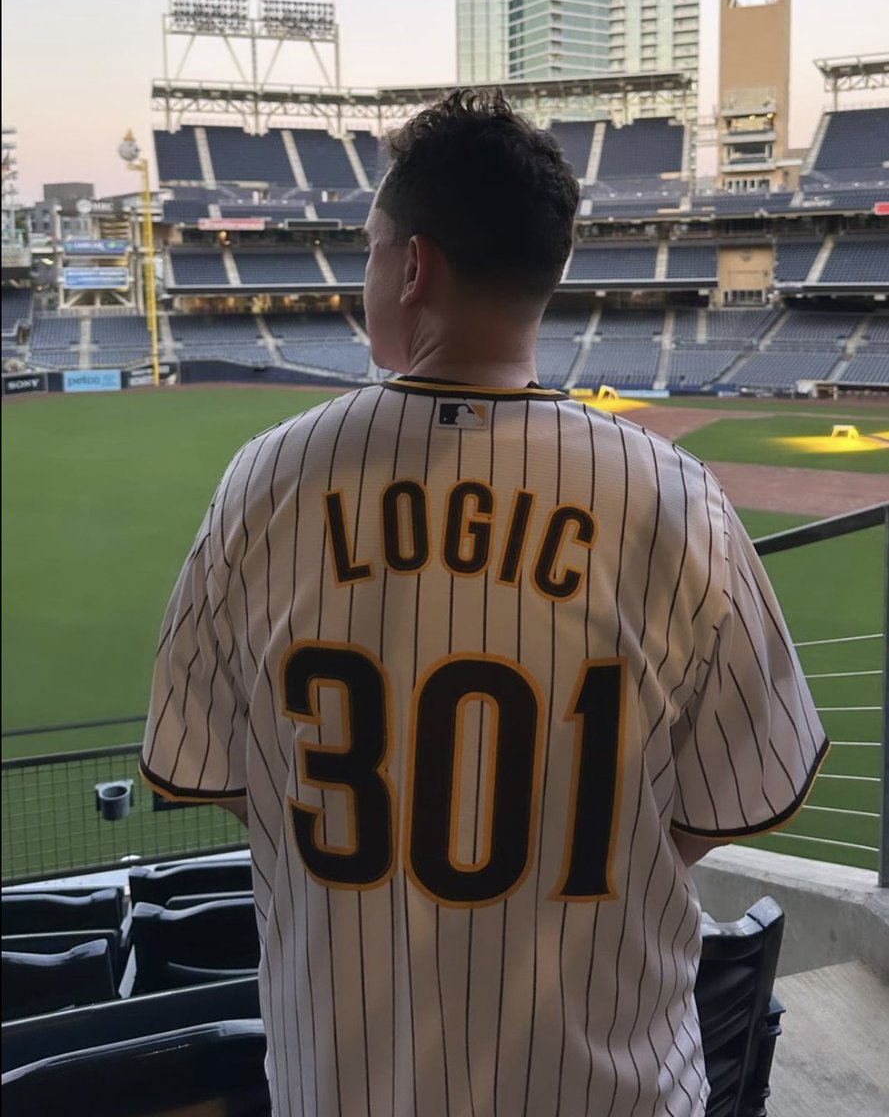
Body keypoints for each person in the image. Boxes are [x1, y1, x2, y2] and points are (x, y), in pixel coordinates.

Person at [141, 90, 827, 1117]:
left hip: (346, 1084)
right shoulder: (679, 499)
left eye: (373, 248)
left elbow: (220, 774)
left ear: (413, 266)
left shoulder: (265, 483)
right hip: (614, 1090)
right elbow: (729, 799)